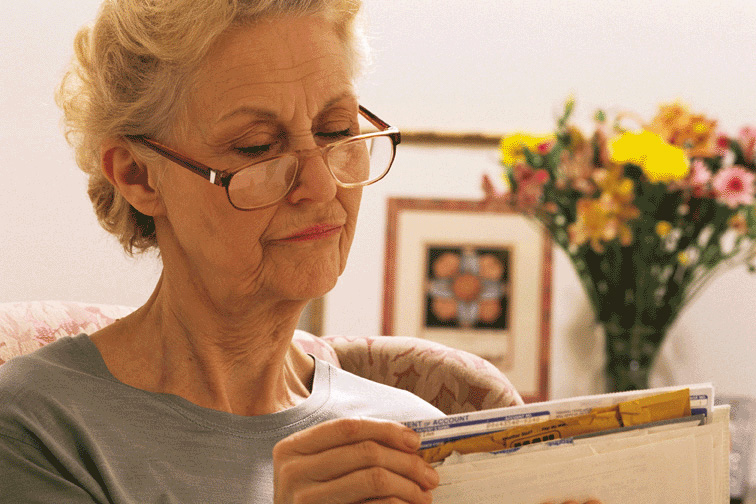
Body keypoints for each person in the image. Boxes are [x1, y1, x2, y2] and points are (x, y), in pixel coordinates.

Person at [0, 1, 601, 502]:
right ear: (138, 175)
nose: (320, 186)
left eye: (338, 132)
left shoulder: (419, 434)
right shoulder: (39, 428)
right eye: (259, 147)